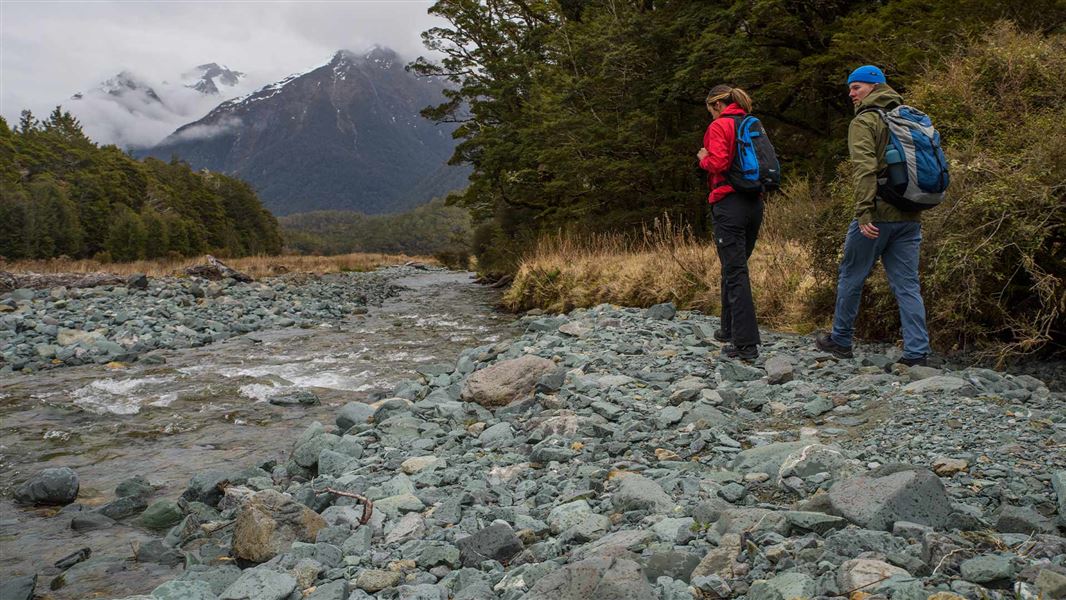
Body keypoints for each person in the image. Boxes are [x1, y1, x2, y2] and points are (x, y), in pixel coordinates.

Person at [815, 65, 931, 367]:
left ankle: (840, 341)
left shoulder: (866, 121)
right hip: (910, 214)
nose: (851, 94)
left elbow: (864, 169)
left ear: (874, 86)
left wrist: (864, 212)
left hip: (877, 215)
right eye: (850, 88)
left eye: (857, 87)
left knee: (851, 275)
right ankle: (917, 352)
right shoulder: (908, 117)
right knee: (907, 284)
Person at [697, 85, 763, 361]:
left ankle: (745, 345)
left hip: (728, 203)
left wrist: (703, 159)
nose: (710, 115)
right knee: (734, 266)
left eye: (710, 110)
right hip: (754, 202)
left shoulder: (720, 126)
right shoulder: (752, 123)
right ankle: (728, 329)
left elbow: (719, 163)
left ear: (717, 105)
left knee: (735, 271)